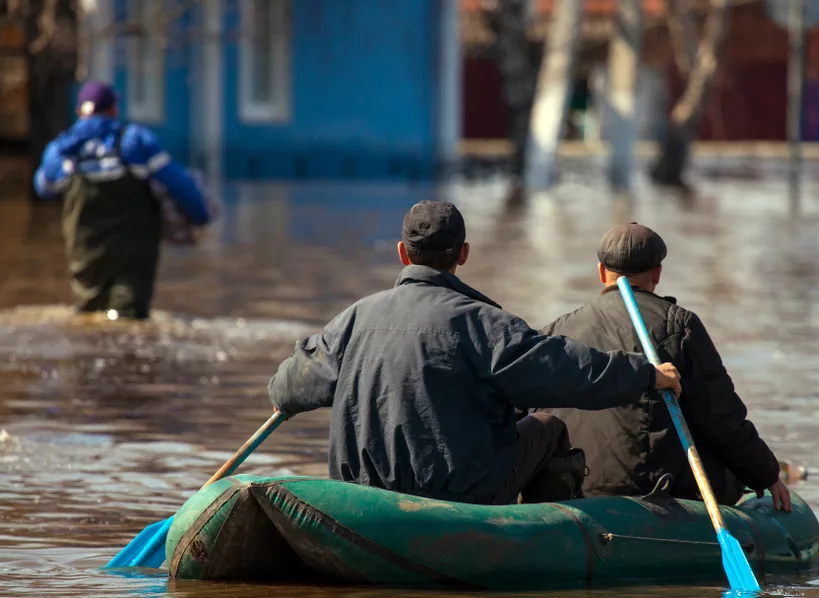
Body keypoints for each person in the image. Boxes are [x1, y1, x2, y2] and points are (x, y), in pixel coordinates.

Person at [268, 201, 683, 505]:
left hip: (363, 491)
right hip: (460, 492)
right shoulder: (484, 322)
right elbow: (569, 371)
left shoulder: (352, 318)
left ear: (402, 252)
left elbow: (285, 390)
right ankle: (538, 547)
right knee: (549, 428)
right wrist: (645, 375)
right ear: (463, 254)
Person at [538, 222, 792, 511]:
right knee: (726, 462)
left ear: (600, 272)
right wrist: (766, 475)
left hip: (575, 486)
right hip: (651, 489)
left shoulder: (554, 331)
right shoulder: (678, 325)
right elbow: (721, 418)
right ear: (658, 273)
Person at [33, 81, 211, 320]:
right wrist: (200, 216)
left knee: (89, 318)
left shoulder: (61, 149)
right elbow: (179, 184)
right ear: (113, 110)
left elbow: (43, 188)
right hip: (133, 256)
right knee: (127, 317)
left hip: (85, 257)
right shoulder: (135, 141)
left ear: (79, 112)